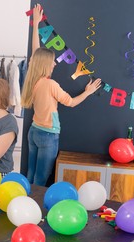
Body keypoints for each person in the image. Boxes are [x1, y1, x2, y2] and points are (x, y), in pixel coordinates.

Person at [21, 4, 102, 186]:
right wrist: (88, 92)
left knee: (30, 174)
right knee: (41, 179)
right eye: (52, 63)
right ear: (45, 65)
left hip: (34, 131)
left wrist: (36, 25)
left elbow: (36, 51)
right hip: (48, 135)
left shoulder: (32, 78)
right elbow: (71, 103)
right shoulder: (51, 84)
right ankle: (35, 210)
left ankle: (24, 203)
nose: (55, 65)